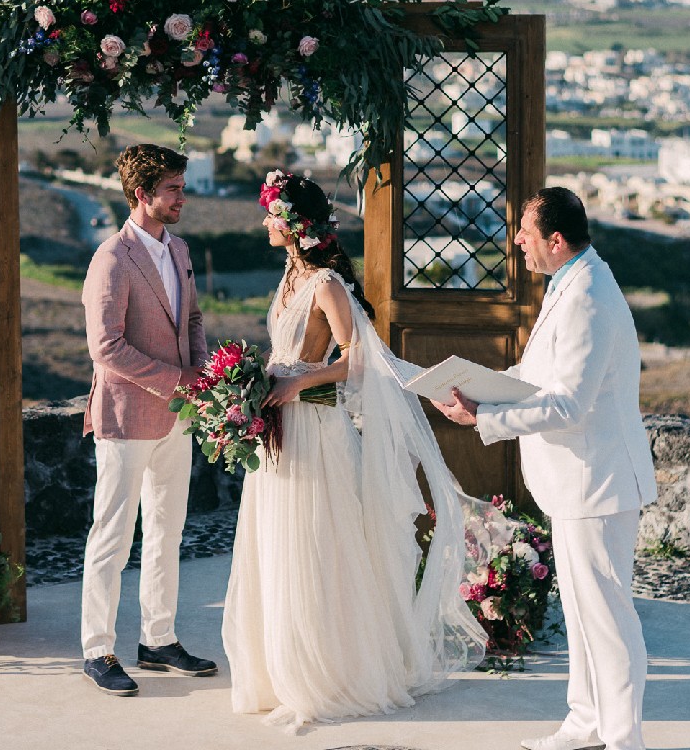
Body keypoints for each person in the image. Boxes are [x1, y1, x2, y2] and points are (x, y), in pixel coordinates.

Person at [223, 170, 488, 730]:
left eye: (271, 213)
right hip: (280, 433)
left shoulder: (325, 284)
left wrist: (298, 380)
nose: (265, 221)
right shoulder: (289, 278)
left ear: (292, 224)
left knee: (318, 544)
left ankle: (327, 675)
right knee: (278, 544)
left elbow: (359, 359)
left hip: (317, 430)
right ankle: (281, 669)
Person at [434, 186, 658, 750]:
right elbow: (542, 377)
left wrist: (486, 415)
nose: (516, 243)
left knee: (607, 618)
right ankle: (585, 722)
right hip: (579, 482)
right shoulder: (572, 281)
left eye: (526, 235)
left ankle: (623, 739)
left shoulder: (585, 296)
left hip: (596, 482)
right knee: (584, 617)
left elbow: (568, 405)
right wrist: (480, 387)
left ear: (555, 241)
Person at [79, 143, 216, 696]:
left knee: (167, 530)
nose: (183, 197)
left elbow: (195, 319)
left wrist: (205, 374)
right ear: (142, 195)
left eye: (182, 187)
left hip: (178, 417)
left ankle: (158, 639)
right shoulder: (110, 259)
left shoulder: (179, 249)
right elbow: (105, 347)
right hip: (125, 416)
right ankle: (98, 649)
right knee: (112, 535)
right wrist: (178, 380)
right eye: (173, 189)